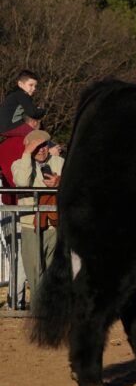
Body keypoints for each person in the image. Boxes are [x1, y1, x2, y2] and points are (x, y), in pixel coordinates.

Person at [11, 129, 64, 304]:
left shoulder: (60, 162)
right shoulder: (18, 164)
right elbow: (22, 182)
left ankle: (51, 312)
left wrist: (59, 182)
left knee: (53, 272)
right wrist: (27, 154)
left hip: (55, 225)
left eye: (44, 145)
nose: (41, 149)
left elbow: (74, 183)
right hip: (30, 226)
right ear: (28, 148)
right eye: (36, 147)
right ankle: (38, 310)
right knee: (35, 272)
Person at [0, 70, 45, 138]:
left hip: (4, 127)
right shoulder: (22, 95)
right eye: (31, 85)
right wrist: (42, 111)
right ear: (20, 84)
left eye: (35, 86)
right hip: (10, 126)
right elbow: (33, 113)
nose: (34, 88)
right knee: (40, 136)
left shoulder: (14, 94)